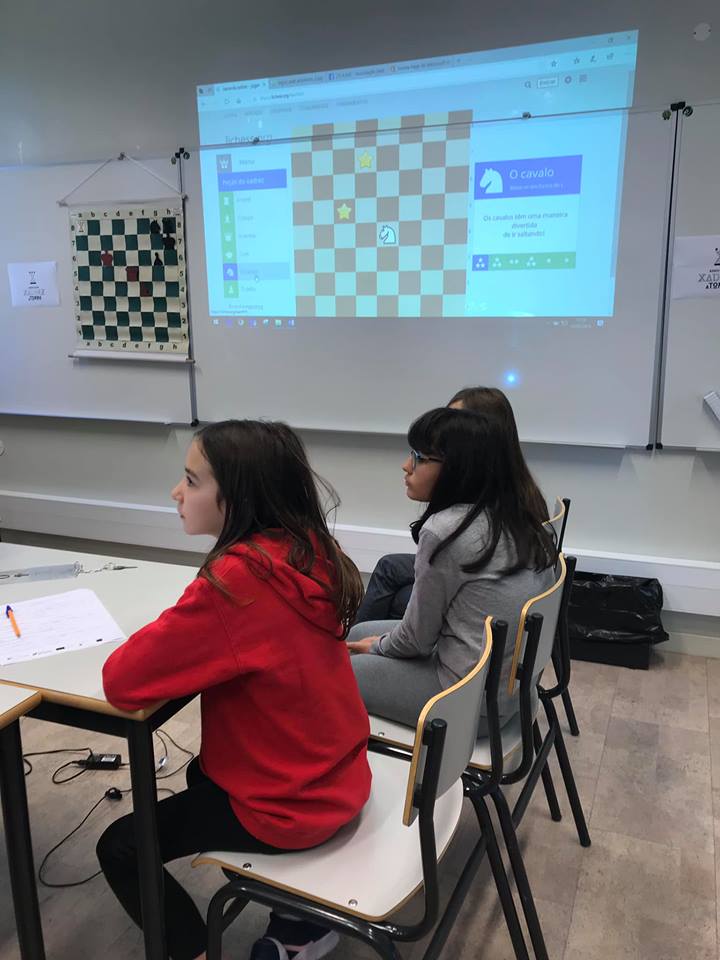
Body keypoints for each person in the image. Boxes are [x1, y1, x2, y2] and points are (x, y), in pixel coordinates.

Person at [97, 420, 371, 960]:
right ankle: (296, 918)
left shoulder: (237, 584)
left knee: (121, 847)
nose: (176, 492)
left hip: (291, 807)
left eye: (192, 480)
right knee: (201, 773)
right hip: (339, 775)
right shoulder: (309, 548)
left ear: (238, 497)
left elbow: (121, 682)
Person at [347, 407, 557, 732]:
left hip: (466, 702)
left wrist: (377, 647)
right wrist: (376, 644)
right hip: (508, 692)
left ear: (457, 468)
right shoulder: (516, 514)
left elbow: (416, 641)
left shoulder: (446, 530)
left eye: (419, 457)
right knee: (359, 633)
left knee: (336, 674)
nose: (406, 465)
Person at [353, 386, 549, 624]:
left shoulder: (453, 524)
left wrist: (377, 642)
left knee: (398, 601)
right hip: (492, 619)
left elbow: (416, 637)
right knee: (390, 568)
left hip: (472, 628)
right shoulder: (511, 489)